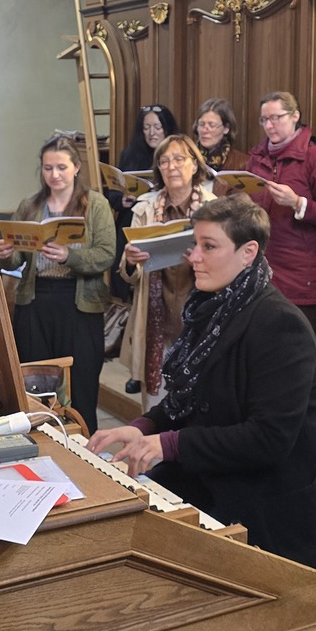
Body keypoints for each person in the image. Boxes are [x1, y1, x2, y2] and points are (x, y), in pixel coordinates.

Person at [89, 195, 316, 577]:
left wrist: (168, 444)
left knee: (167, 560)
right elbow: (189, 399)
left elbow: (269, 439)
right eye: (195, 245)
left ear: (248, 252)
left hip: (288, 504)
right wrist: (143, 427)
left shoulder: (281, 325)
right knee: (129, 525)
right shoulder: (213, 306)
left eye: (209, 247)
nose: (193, 257)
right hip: (231, 475)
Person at [0, 135, 117, 432]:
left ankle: (85, 443)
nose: (54, 174)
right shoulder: (30, 205)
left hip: (78, 303)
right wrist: (5, 255)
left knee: (81, 385)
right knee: (35, 385)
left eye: (61, 167)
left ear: (76, 167)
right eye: (48, 168)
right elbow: (17, 260)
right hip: (35, 300)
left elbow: (106, 255)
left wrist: (68, 256)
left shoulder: (95, 204)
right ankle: (42, 442)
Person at [118, 134, 218, 408]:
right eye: (164, 161)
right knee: (156, 406)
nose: (171, 166)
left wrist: (202, 258)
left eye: (179, 159)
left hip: (198, 316)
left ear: (195, 165)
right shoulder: (145, 208)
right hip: (156, 319)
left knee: (198, 404)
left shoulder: (214, 208)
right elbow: (129, 272)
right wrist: (131, 260)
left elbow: (225, 265)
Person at [244, 92, 316, 336]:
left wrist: (298, 203)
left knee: (294, 348)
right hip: (258, 270)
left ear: (295, 116)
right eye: (264, 120)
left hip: (299, 276)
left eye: (276, 118)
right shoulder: (256, 157)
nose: (269, 126)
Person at [109, 105, 179, 302]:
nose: (151, 133)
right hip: (132, 217)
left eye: (157, 127)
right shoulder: (130, 154)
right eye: (146, 127)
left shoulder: (176, 156)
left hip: (163, 219)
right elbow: (113, 191)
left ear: (166, 128)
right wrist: (121, 200)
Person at [192, 97, 240, 171]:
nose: (204, 130)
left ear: (226, 128)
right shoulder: (187, 158)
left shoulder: (241, 163)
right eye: (201, 124)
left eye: (212, 125)